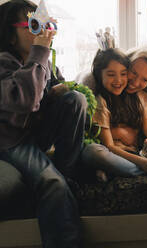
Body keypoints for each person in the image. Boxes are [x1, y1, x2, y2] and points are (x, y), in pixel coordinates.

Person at [0, 0, 86, 247]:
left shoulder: (44, 61)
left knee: (75, 99)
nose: (41, 32)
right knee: (53, 183)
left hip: (34, 132)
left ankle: (67, 171)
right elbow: (25, 101)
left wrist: (57, 91)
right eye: (32, 25)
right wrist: (39, 53)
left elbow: (45, 94)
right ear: (10, 34)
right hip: (11, 140)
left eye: (44, 26)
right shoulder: (5, 61)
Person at [82, 46, 147, 180]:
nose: (135, 82)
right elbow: (107, 145)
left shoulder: (139, 97)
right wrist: (143, 163)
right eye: (133, 72)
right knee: (92, 152)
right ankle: (144, 170)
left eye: (144, 80)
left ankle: (111, 171)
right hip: (115, 155)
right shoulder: (100, 99)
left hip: (135, 155)